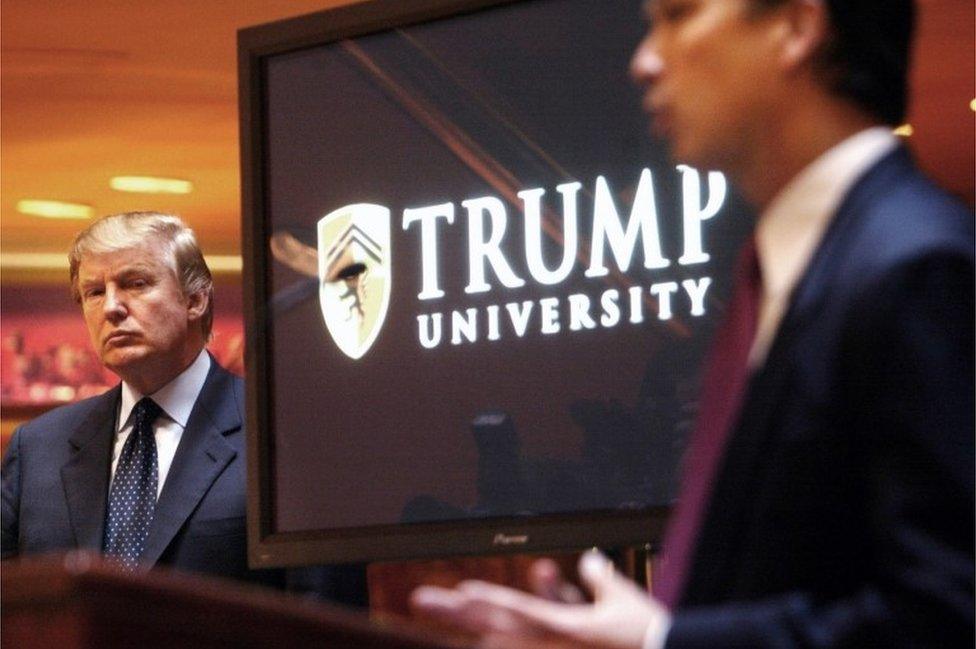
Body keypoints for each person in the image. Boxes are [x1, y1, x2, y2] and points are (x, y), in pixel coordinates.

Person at [411, 0, 974, 647]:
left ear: (797, 26)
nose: (644, 61)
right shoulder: (786, 271)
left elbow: (946, 617)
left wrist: (662, 641)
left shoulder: (919, 264)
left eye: (678, 16)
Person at [0, 211, 281, 586]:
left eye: (135, 283)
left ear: (195, 299)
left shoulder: (277, 431)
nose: (112, 307)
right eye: (94, 292)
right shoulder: (37, 448)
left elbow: (327, 615)